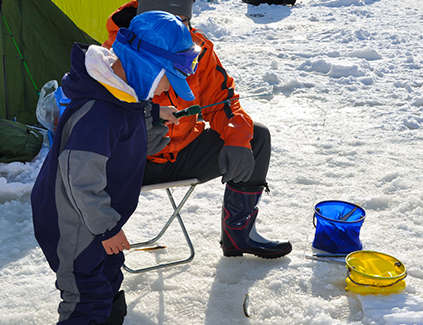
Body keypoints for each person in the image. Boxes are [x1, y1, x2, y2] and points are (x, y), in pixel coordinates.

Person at [31, 11, 199, 325]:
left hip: (96, 218)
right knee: (83, 290)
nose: (162, 90)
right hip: (73, 220)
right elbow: (80, 180)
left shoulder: (121, 95)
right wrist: (106, 227)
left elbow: (132, 114)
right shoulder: (99, 112)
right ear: (143, 66)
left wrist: (156, 114)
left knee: (107, 276)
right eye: (162, 82)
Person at [103, 0, 292, 259]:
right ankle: (100, 263)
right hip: (132, 165)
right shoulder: (117, 54)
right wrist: (134, 141)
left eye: (184, 22)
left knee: (256, 137)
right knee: (94, 178)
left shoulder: (195, 49)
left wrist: (237, 138)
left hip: (182, 153)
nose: (181, 30)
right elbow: (97, 131)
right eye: (170, 21)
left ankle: (239, 235)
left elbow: (223, 103)